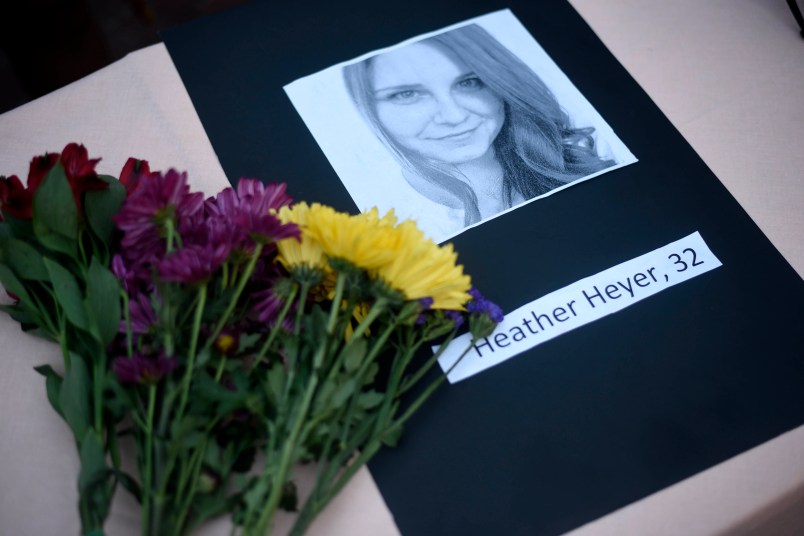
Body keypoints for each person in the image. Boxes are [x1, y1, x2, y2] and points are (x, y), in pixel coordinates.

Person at [343, 23, 615, 230]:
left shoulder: (591, 149)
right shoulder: (378, 225)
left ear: (499, 83)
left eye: (469, 83)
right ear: (369, 109)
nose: (453, 116)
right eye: (407, 94)